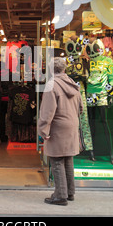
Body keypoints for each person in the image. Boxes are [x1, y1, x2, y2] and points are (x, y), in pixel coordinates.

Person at [38, 57, 83, 206]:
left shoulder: (52, 85)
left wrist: (43, 130)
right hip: (72, 124)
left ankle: (60, 195)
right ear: (64, 69)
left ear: (51, 70)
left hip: (58, 126)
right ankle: (70, 192)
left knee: (56, 160)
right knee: (68, 159)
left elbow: (47, 112)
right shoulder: (72, 84)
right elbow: (81, 108)